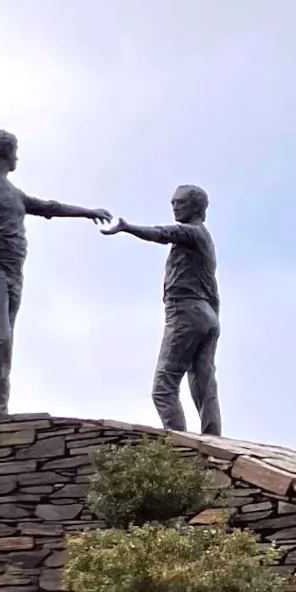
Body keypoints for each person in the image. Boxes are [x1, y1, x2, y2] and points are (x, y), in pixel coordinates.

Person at [0, 129, 109, 417]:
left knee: (6, 339)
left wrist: (88, 212)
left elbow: (49, 207)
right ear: (5, 152)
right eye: (15, 150)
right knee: (0, 338)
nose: (17, 156)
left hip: (14, 274)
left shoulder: (14, 192)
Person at [101, 185, 221, 435]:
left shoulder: (192, 233)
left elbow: (161, 233)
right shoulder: (203, 238)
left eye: (179, 202)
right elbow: (212, 288)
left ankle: (179, 446)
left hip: (186, 313)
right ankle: (212, 437)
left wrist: (128, 227)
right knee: (203, 382)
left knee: (163, 386)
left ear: (195, 207)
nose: (174, 206)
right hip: (206, 315)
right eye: (172, 202)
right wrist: (212, 323)